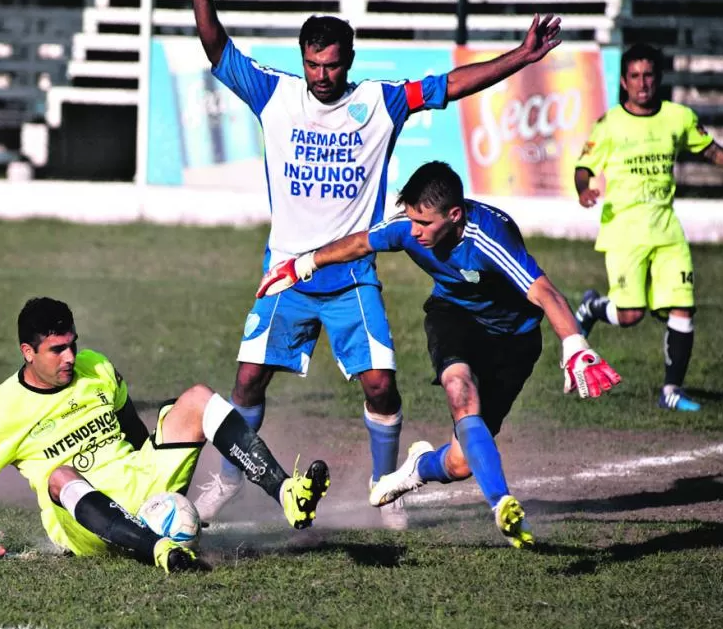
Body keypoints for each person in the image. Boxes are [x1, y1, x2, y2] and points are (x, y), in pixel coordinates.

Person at [187, 0, 562, 528]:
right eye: (313, 64)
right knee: (248, 378)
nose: (322, 75)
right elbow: (218, 51)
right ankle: (229, 479)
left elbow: (450, 86)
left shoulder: (381, 103)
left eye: (332, 64)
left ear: (350, 58)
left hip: (353, 273)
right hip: (287, 269)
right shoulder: (275, 95)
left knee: (381, 386)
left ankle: (386, 487)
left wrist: (520, 57)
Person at [257, 161, 621, 547]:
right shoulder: (409, 229)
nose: (414, 232)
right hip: (455, 318)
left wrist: (574, 344)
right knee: (459, 389)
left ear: (455, 215)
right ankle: (501, 504)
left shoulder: (489, 237)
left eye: (424, 223)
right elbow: (362, 242)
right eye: (411, 219)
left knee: (461, 463)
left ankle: (417, 468)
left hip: (515, 340)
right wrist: (303, 264)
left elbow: (544, 292)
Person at [0, 297, 330, 573]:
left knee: (197, 398)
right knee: (59, 474)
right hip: (84, 523)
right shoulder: (2, 408)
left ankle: (286, 492)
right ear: (27, 352)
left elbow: (134, 431)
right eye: (57, 350)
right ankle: (158, 549)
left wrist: (162, 487)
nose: (70, 356)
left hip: (141, 482)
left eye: (73, 344)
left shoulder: (96, 366)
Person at [573, 43, 723, 412]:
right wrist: (584, 189)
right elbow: (584, 166)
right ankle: (593, 307)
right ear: (624, 82)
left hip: (667, 229)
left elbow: (710, 151)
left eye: (649, 76)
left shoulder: (678, 118)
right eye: (635, 77)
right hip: (625, 230)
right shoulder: (609, 124)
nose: (643, 83)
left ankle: (671, 390)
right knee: (630, 315)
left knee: (683, 307)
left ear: (658, 79)